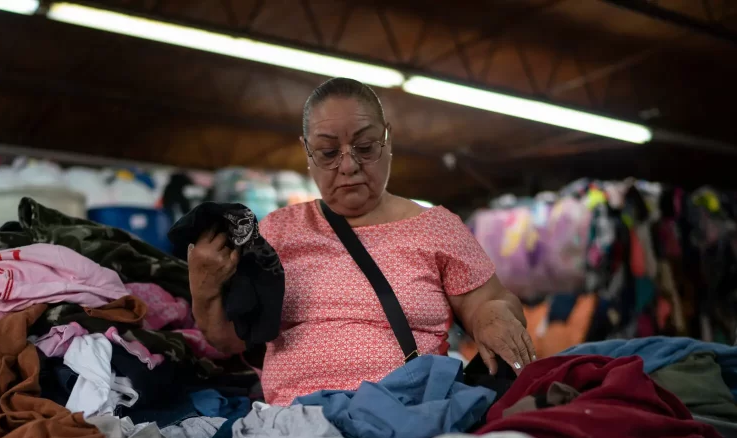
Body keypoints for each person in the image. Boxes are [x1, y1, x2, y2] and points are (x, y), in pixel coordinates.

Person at [189, 77, 535, 406]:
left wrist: (492, 317)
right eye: (327, 152)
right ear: (307, 151)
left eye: (365, 147)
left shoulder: (437, 227)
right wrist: (204, 288)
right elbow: (231, 339)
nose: (349, 165)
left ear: (388, 140)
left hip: (409, 414)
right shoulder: (276, 232)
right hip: (297, 423)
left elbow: (488, 301)